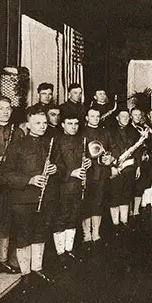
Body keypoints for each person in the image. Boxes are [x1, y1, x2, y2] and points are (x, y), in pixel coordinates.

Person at [1, 105, 63, 291]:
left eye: (44, 123)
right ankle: (25, 273)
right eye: (37, 123)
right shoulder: (16, 145)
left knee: (40, 233)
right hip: (23, 199)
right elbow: (5, 174)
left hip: (46, 198)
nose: (42, 126)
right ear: (28, 124)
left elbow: (62, 166)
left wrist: (56, 169)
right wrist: (30, 179)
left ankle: (37, 269)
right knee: (23, 236)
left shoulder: (50, 143)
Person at [0, 96, 23, 284]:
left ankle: (2, 261)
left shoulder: (18, 133)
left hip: (11, 185)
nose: (6, 111)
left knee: (7, 221)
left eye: (8, 108)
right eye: (1, 108)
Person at [51, 108, 91, 269]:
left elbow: (84, 159)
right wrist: (71, 172)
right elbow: (54, 165)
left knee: (74, 216)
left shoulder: (82, 140)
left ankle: (69, 249)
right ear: (63, 125)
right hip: (63, 186)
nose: (73, 126)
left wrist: (88, 163)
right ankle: (60, 252)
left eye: (76, 124)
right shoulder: (57, 141)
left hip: (78, 186)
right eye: (70, 124)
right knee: (62, 217)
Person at [80, 106, 113, 252]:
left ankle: (96, 233)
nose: (95, 118)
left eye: (97, 116)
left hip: (101, 173)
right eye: (92, 116)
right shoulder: (81, 132)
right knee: (86, 204)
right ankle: (86, 234)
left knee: (98, 203)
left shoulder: (105, 132)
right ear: (87, 118)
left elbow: (111, 149)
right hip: (86, 174)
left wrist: (110, 158)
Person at [107, 107, 141, 236]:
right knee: (115, 195)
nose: (126, 119)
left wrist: (138, 166)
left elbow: (137, 151)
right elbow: (107, 149)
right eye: (123, 116)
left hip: (129, 168)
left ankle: (124, 222)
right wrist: (112, 166)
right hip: (115, 167)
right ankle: (115, 224)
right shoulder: (110, 132)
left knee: (127, 195)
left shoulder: (134, 132)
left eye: (127, 116)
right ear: (117, 118)